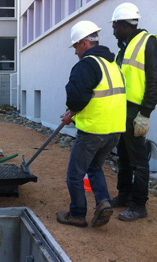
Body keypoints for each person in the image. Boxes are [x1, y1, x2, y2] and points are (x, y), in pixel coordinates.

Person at [56, 21, 126, 228]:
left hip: (94, 130)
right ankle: (103, 203)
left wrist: (72, 113)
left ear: (84, 43)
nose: (75, 52)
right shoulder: (112, 65)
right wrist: (75, 113)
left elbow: (77, 99)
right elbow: (99, 98)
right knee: (95, 167)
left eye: (76, 47)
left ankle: (77, 214)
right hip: (114, 130)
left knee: (75, 174)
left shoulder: (86, 65)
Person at [109, 3, 157, 221]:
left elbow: (154, 81)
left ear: (124, 24)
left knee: (138, 160)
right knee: (124, 157)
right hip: (122, 111)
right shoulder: (124, 47)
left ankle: (139, 205)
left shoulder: (148, 42)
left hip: (136, 111)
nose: (113, 31)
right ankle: (124, 196)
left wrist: (145, 113)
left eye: (115, 26)